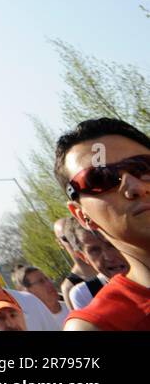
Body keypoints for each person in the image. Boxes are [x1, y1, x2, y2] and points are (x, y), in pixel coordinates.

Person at [54, 118, 150, 331]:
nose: (135, 187)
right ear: (82, 216)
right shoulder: (100, 325)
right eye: (100, 178)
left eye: (143, 166)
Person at [63, 216, 129, 308]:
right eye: (95, 250)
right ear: (83, 257)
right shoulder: (85, 294)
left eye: (111, 245)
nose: (108, 257)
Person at [53, 217, 100, 309]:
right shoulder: (70, 288)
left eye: (74, 233)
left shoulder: (110, 262)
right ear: (59, 243)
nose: (73, 240)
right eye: (66, 238)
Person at [13, 265, 69, 330]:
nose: (49, 283)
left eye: (47, 278)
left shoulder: (72, 307)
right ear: (28, 292)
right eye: (41, 281)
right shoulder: (32, 325)